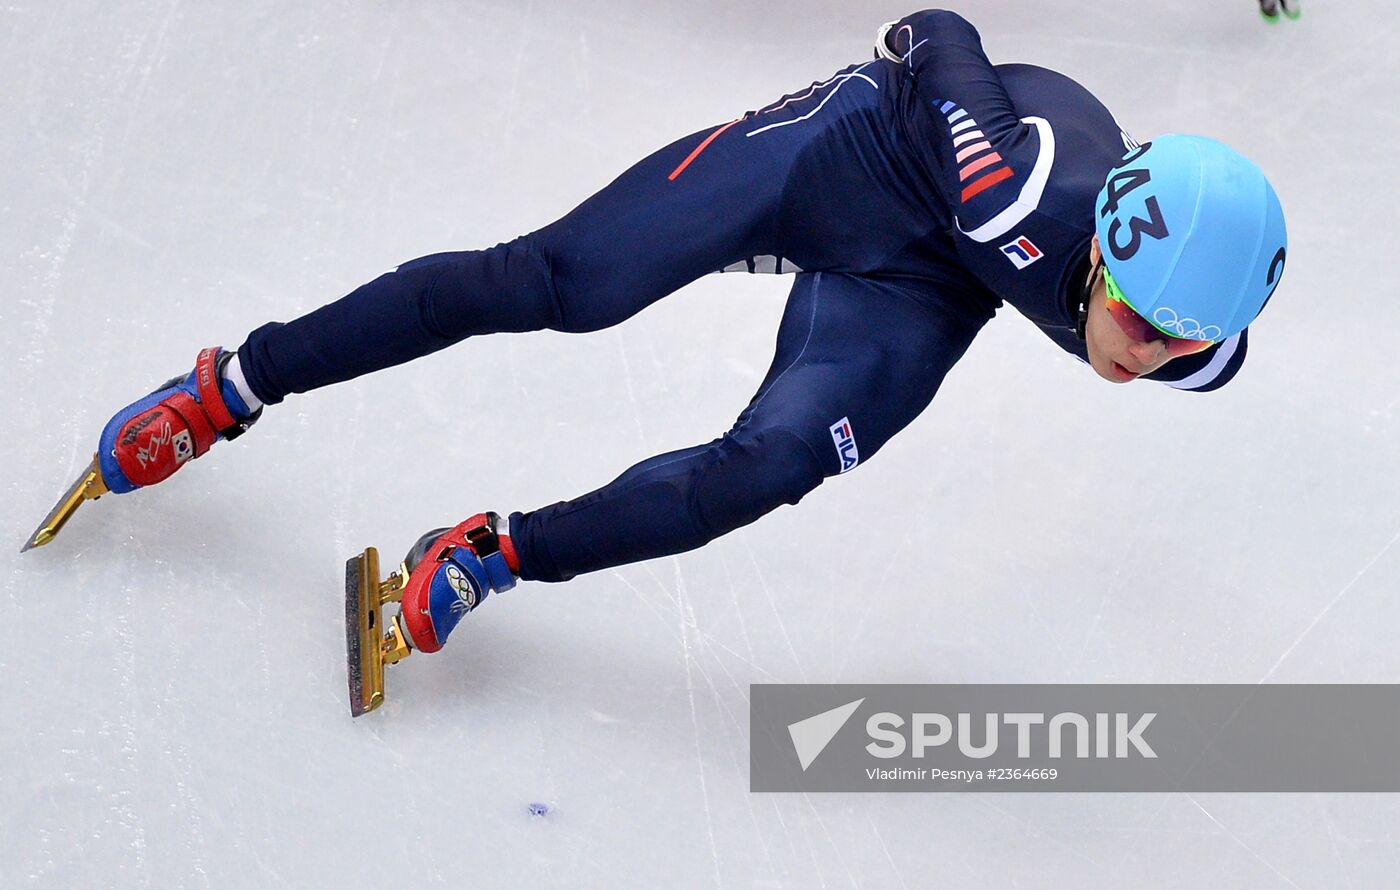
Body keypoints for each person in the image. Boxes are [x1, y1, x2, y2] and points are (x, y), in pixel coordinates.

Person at [45, 10, 1288, 677]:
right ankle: (231, 388)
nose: (1143, 357)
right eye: (1134, 322)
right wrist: (929, 113)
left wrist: (1169, 334)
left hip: (917, 288)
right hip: (840, 160)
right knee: (556, 282)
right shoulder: (1008, 186)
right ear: (1109, 254)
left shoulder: (1197, 339)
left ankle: (489, 553)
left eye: (1180, 349)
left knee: (767, 466)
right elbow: (929, 27)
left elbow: (1178, 329)